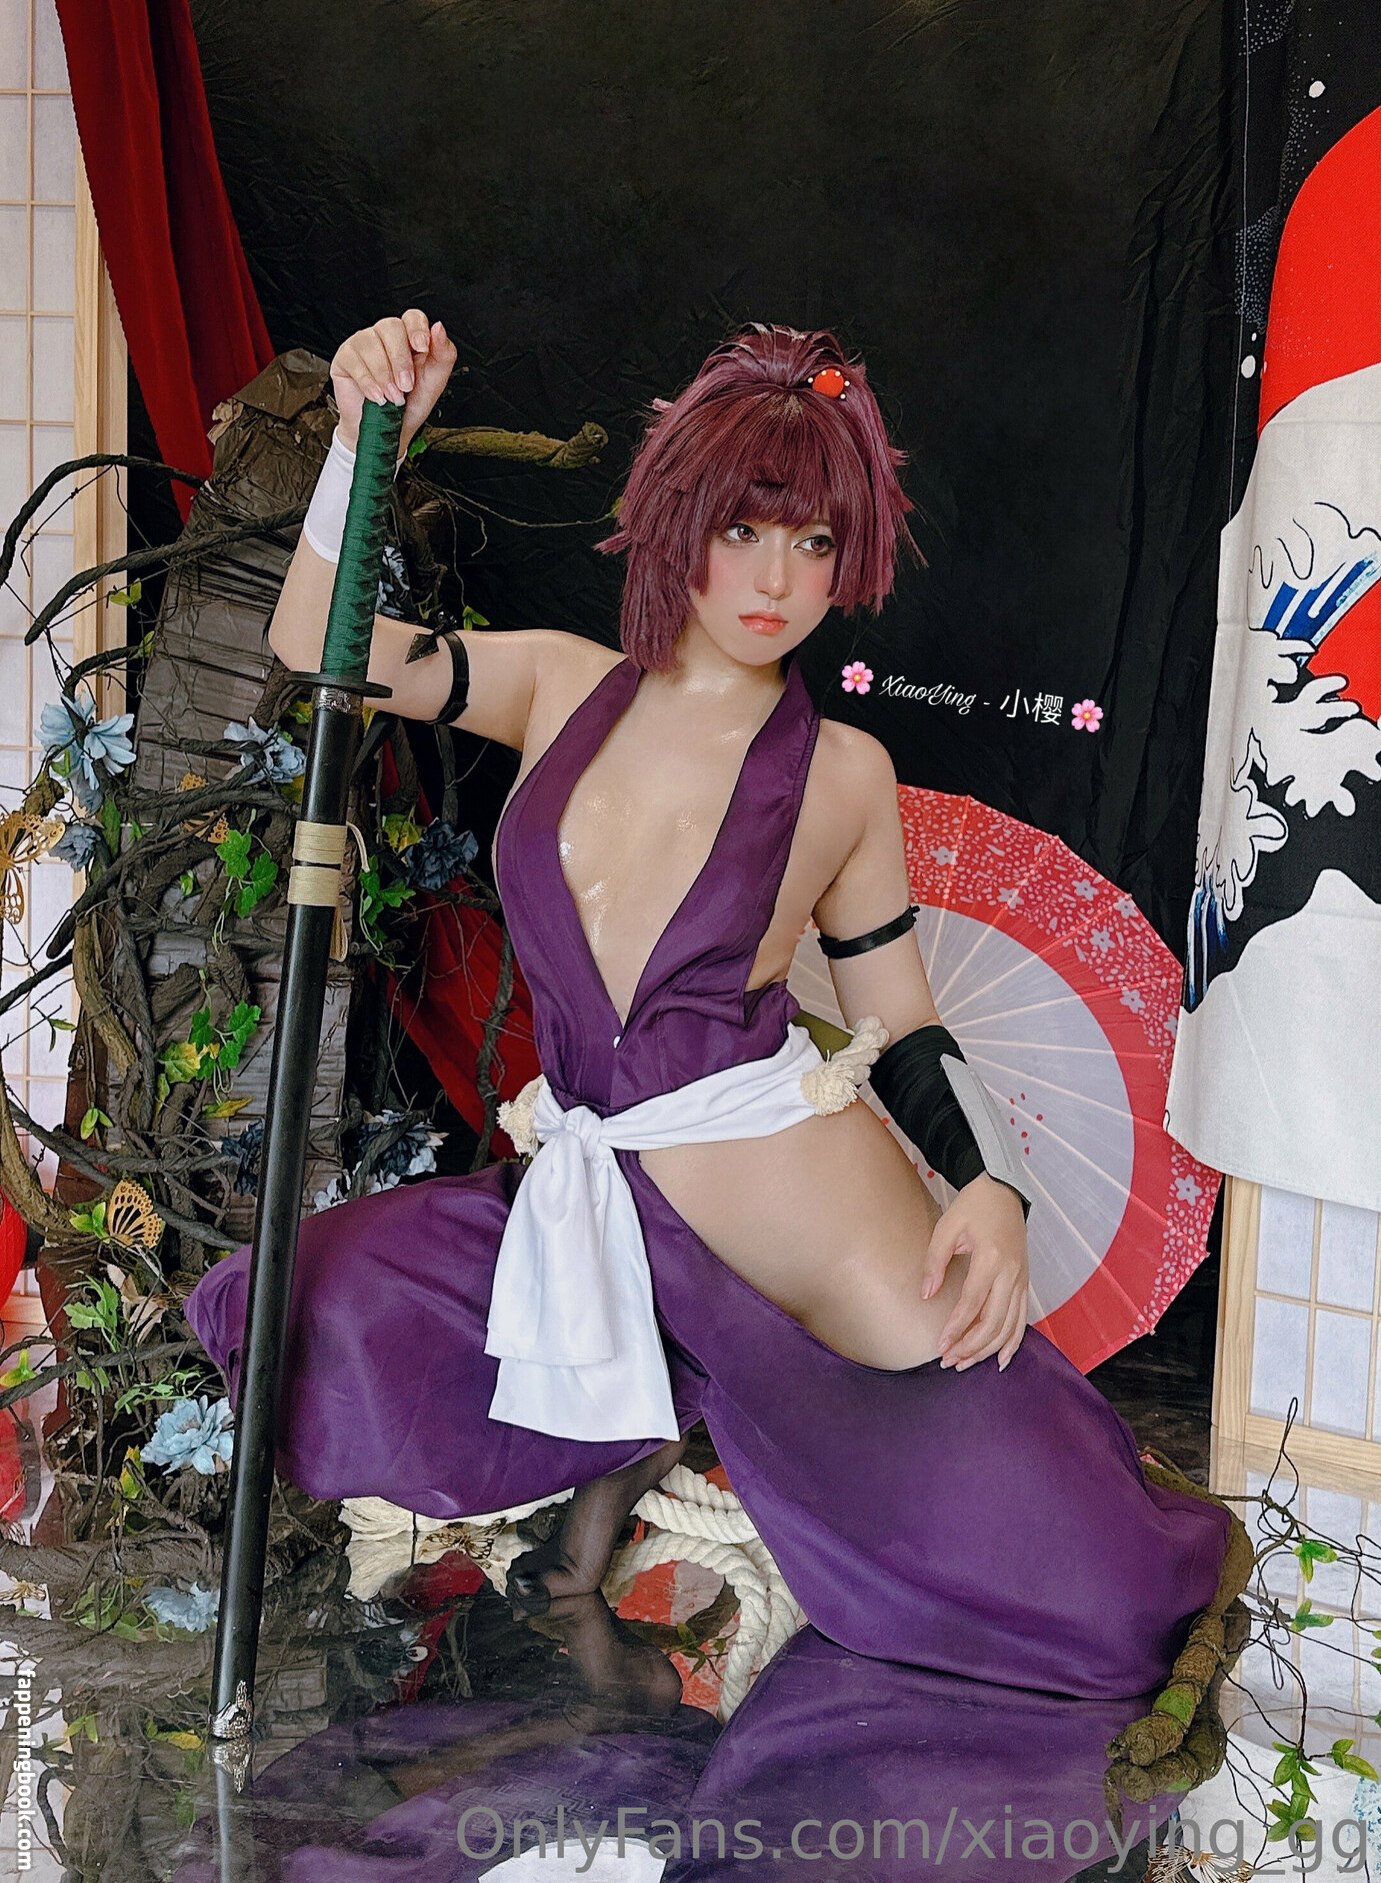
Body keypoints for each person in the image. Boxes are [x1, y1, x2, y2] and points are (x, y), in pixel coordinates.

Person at [187, 314, 1231, 1699]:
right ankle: (637, 1429)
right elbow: (315, 643)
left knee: (1096, 1594)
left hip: (788, 1210)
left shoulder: (845, 774)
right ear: (682, 520)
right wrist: (362, 442)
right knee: (299, 1300)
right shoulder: (555, 684)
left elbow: (902, 1020)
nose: (777, 581)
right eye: (745, 531)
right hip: (592, 1181)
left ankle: (677, 1428)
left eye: (814, 545)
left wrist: (992, 1187)